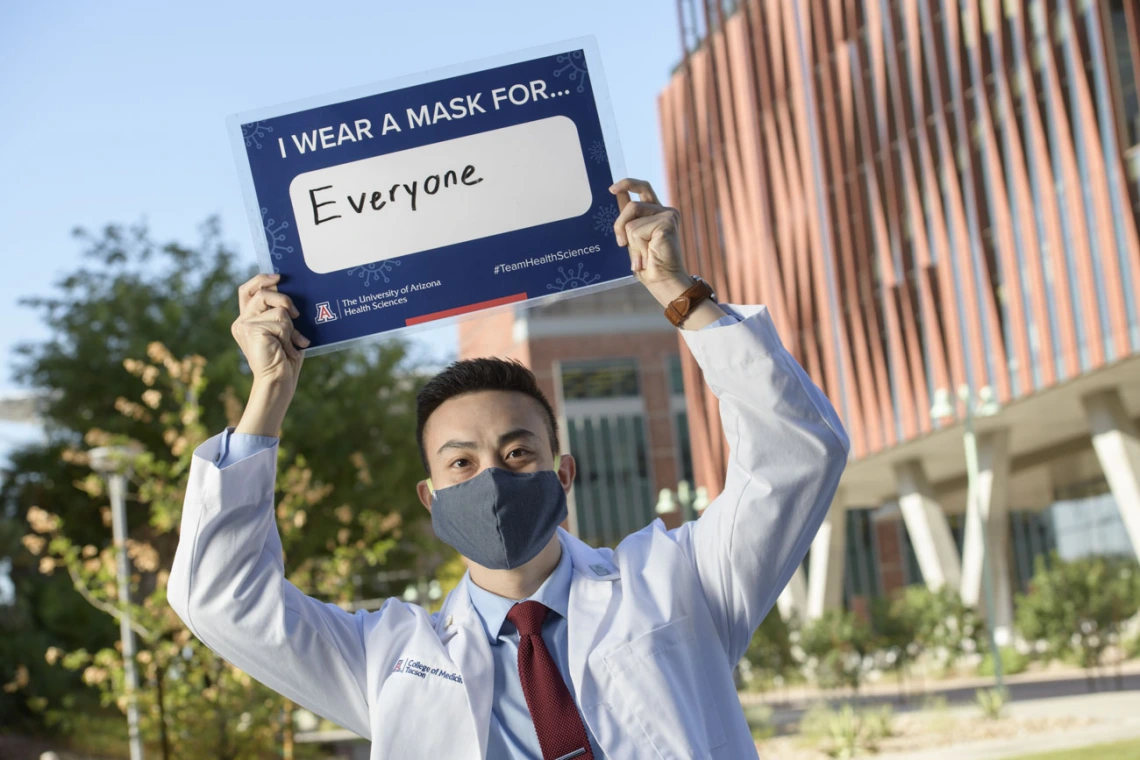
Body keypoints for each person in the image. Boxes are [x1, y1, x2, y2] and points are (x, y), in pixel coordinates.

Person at [168, 178, 849, 759]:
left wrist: (680, 293)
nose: (491, 477)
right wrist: (270, 391)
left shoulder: (679, 584)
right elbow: (222, 600)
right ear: (430, 498)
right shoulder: (385, 657)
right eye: (460, 462)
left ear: (564, 473)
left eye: (517, 453)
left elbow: (795, 454)